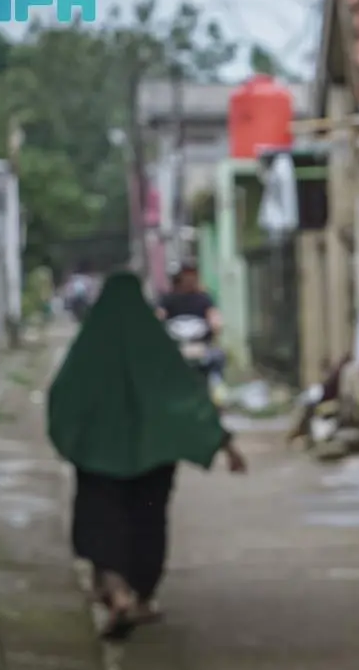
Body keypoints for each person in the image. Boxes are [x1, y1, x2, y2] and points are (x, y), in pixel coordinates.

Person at [48, 271, 247, 641]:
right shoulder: (157, 348)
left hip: (98, 461)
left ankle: (116, 591)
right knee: (148, 523)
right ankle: (142, 597)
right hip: (154, 461)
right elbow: (187, 399)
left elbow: (63, 399)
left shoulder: (90, 348)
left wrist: (75, 441)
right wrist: (226, 444)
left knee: (102, 522)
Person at [157, 264, 226, 385]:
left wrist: (215, 327)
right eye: (187, 277)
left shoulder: (204, 299)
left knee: (217, 358)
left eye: (192, 277)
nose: (190, 280)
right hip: (175, 346)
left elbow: (214, 318)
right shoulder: (168, 299)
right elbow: (158, 317)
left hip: (200, 345)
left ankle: (216, 387)